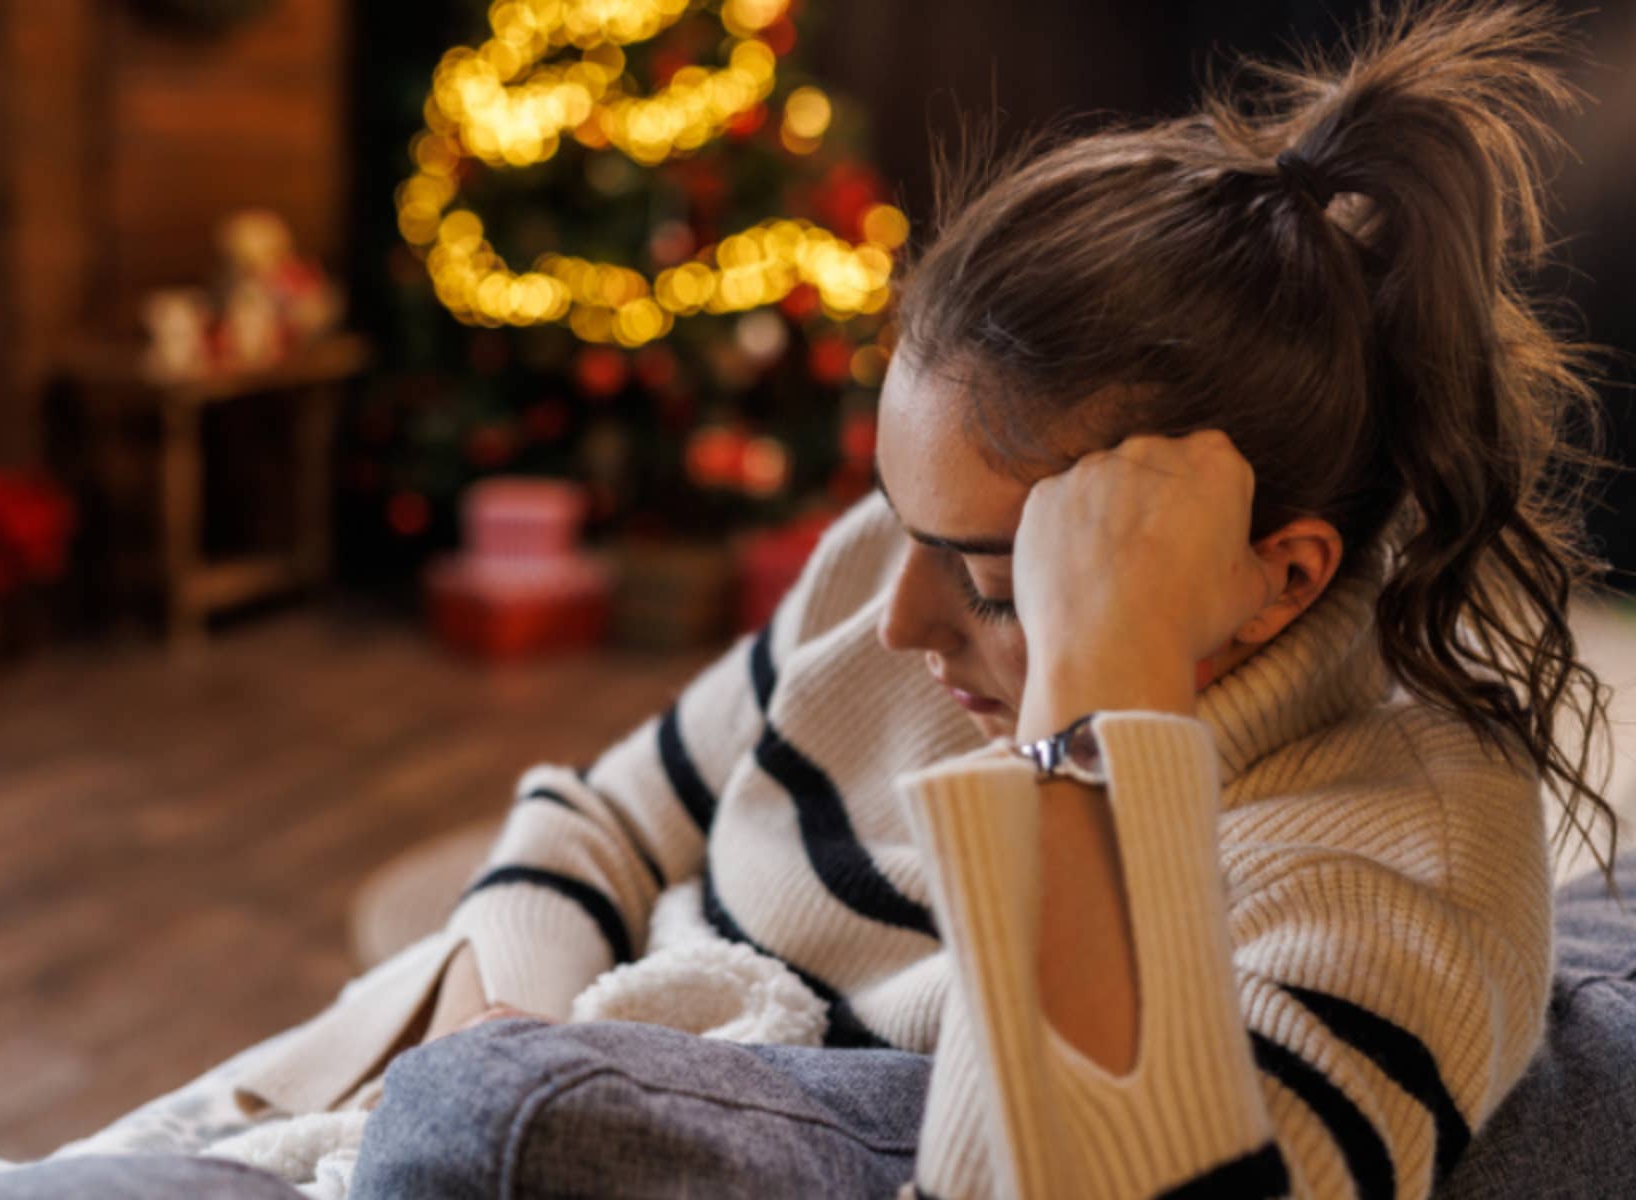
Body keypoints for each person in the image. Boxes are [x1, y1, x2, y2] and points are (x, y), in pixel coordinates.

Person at [235, 3, 1627, 1197]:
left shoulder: (1392, 881)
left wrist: (1099, 703)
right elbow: (601, 815)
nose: (893, 621)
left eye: (991, 576)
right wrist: (482, 1062)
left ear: (1280, 577)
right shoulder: (905, 569)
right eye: (902, 521)